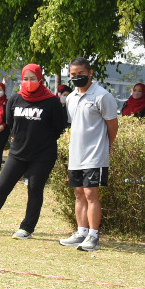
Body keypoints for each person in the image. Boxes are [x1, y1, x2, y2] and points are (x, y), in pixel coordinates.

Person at [0, 64, 68, 239]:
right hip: (17, 153)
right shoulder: (16, 99)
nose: (29, 82)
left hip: (43, 155)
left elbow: (58, 127)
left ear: (40, 79)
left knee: (34, 189)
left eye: (32, 79)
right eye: (25, 79)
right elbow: (10, 123)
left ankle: (27, 228)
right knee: (1, 187)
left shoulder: (51, 101)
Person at [58, 57, 119, 252]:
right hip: (76, 154)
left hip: (95, 154)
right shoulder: (70, 98)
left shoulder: (102, 96)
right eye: (73, 75)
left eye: (81, 74)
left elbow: (112, 125)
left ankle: (93, 236)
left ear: (90, 73)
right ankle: (81, 232)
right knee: (79, 193)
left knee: (91, 193)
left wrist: (107, 146)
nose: (77, 78)